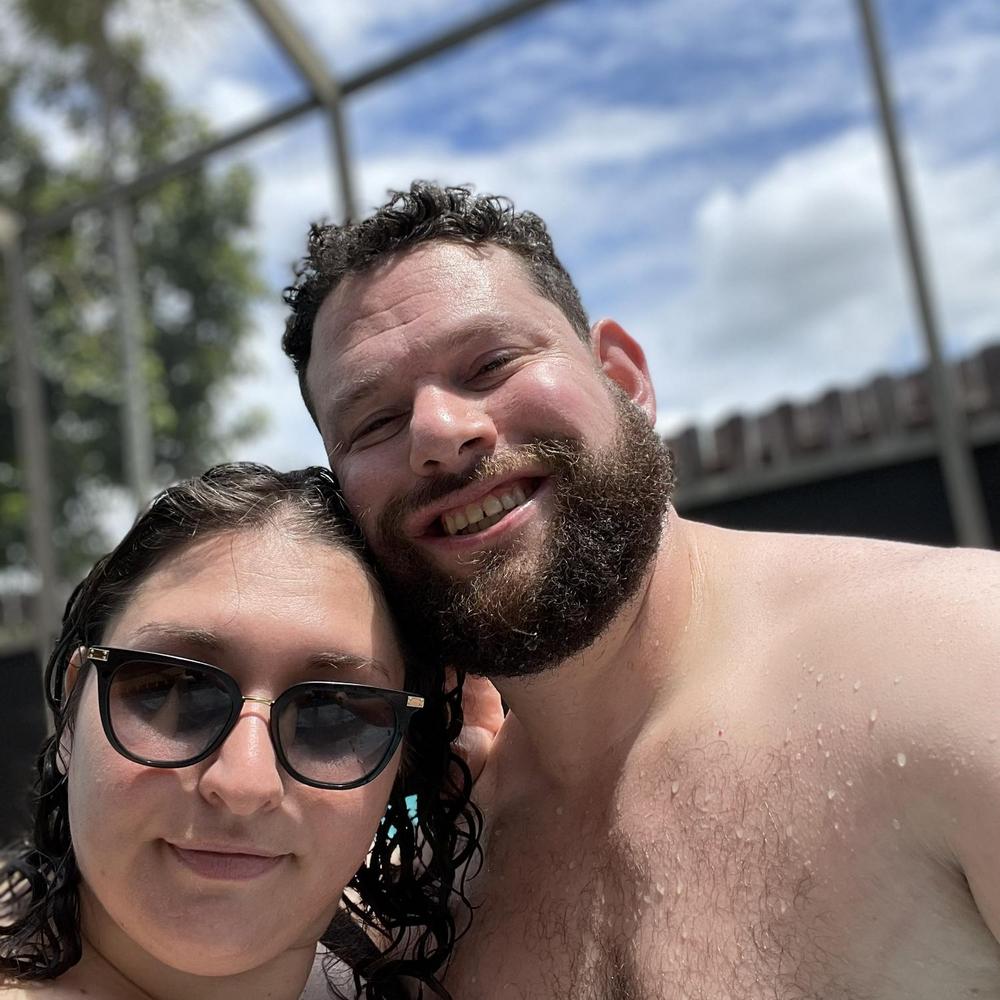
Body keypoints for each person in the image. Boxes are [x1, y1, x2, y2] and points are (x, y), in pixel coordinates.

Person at [282, 181, 1000, 999]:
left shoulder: (958, 662)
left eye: (491, 364)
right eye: (374, 422)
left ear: (623, 378)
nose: (439, 435)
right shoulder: (435, 885)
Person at [0, 463, 480, 1000]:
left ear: (406, 757)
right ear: (71, 713)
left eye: (330, 714)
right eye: (178, 690)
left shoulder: (395, 957)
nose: (244, 784)